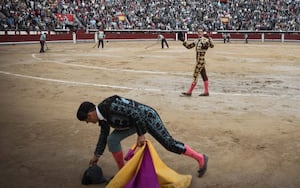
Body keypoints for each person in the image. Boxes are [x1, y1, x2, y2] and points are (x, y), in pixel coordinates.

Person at [76, 95, 208, 177]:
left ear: (90, 113)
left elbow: (135, 112)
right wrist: (96, 155)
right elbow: (103, 136)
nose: (88, 122)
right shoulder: (102, 117)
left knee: (169, 144)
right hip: (133, 124)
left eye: (87, 120)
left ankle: (200, 158)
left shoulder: (110, 105)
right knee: (112, 139)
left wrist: (141, 134)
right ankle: (124, 173)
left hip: (147, 117)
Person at [179, 28, 214, 97]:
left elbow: (212, 45)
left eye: (201, 32)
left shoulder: (205, 40)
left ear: (203, 33)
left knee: (195, 76)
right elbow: (189, 47)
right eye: (198, 32)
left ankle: (189, 92)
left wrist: (209, 38)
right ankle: (206, 92)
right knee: (204, 76)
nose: (199, 33)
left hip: (200, 62)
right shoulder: (196, 40)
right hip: (200, 61)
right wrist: (183, 41)